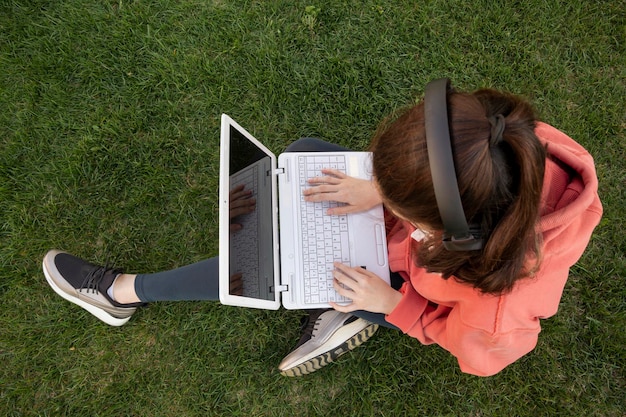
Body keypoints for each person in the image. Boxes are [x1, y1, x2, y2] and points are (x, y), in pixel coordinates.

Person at [43, 79, 602, 377]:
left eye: (410, 210)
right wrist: (380, 191)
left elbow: (467, 349)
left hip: (401, 289)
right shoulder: (501, 144)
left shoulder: (496, 317)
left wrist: (394, 306)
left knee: (269, 265)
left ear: (454, 235)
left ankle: (123, 294)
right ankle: (334, 305)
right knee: (305, 156)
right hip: (410, 256)